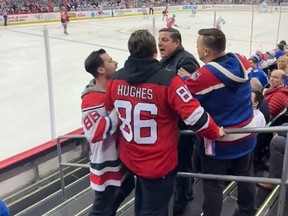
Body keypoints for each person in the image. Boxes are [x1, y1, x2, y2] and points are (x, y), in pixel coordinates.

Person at [89, 29, 224, 216]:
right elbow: (195, 117)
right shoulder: (169, 81)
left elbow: (111, 111)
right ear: (154, 51)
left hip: (130, 158)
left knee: (142, 204)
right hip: (159, 164)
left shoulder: (115, 80)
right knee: (154, 210)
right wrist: (215, 132)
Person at [178, 28, 257, 216]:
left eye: (198, 45)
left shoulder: (203, 77)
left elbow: (184, 94)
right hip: (247, 134)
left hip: (220, 139)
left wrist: (187, 78)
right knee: (245, 176)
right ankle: (247, 212)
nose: (196, 48)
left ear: (206, 51)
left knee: (213, 183)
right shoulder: (241, 60)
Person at [81, 49, 134, 216]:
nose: (115, 63)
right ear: (101, 70)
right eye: (110, 61)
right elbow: (94, 133)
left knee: (127, 185)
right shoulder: (92, 99)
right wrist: (118, 110)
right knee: (100, 207)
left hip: (117, 157)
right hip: (104, 160)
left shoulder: (110, 90)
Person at [158, 27, 200, 214]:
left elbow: (187, 94)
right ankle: (186, 193)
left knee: (181, 164)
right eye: (159, 39)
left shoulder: (186, 60)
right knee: (178, 164)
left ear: (177, 42)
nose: (160, 43)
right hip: (171, 126)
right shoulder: (166, 60)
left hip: (182, 126)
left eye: (165, 40)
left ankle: (180, 203)